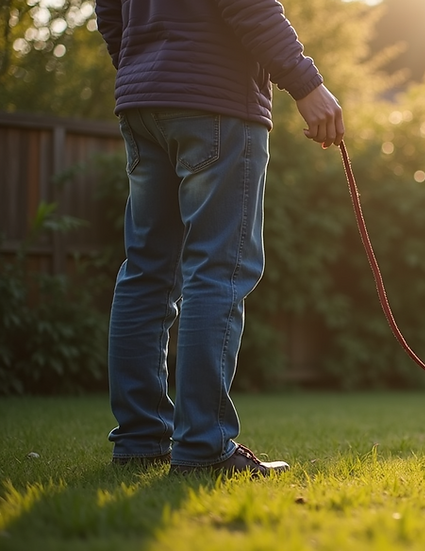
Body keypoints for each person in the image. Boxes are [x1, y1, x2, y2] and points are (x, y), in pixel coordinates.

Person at [95, 0, 344, 476]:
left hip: (142, 101)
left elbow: (109, 11)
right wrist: (307, 84)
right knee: (218, 270)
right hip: (216, 100)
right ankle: (204, 448)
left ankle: (141, 440)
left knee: (145, 272)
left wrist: (146, 66)